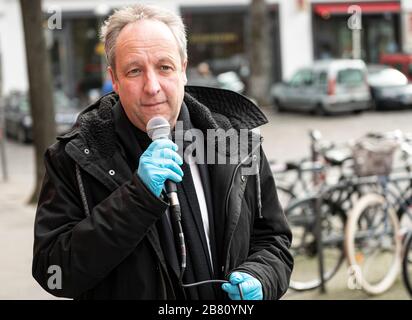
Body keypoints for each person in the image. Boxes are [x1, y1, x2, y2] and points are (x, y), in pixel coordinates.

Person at [32, 4, 293, 300]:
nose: (152, 86)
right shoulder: (76, 156)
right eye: (134, 71)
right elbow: (53, 272)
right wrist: (137, 198)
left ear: (183, 69)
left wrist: (261, 277)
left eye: (164, 67)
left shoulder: (235, 141)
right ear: (114, 79)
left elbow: (274, 240)